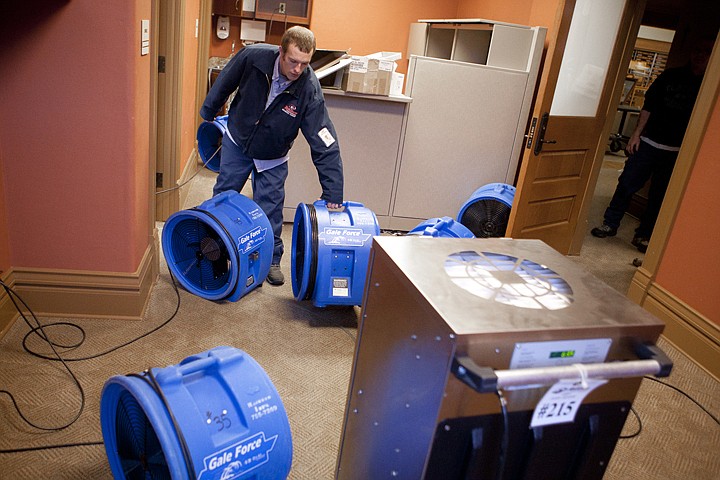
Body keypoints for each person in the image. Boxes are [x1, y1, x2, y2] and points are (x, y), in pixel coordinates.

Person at [200, 26, 344, 286]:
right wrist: (209, 108)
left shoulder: (309, 88)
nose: (298, 69)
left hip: (273, 154)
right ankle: (214, 251)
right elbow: (225, 80)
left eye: (304, 63)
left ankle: (271, 259)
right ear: (281, 51)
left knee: (271, 207)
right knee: (223, 195)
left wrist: (333, 192)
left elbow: (324, 140)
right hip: (237, 139)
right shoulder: (253, 57)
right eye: (293, 61)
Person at [591, 38, 712, 253]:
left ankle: (644, 235)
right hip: (647, 143)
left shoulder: (708, 88)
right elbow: (648, 107)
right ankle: (610, 223)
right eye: (697, 50)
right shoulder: (670, 76)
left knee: (660, 195)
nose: (700, 55)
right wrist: (636, 134)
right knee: (627, 184)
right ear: (691, 53)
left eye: (706, 51)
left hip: (677, 152)